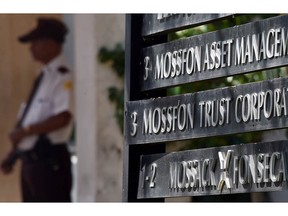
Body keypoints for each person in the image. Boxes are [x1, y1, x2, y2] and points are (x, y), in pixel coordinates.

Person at [0, 17, 74, 202]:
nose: (31, 48)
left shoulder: (62, 76)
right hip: (32, 162)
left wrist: (25, 131)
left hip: (50, 162)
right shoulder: (43, 77)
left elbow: (63, 117)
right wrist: (14, 153)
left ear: (50, 43)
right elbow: (29, 117)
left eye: (35, 42)